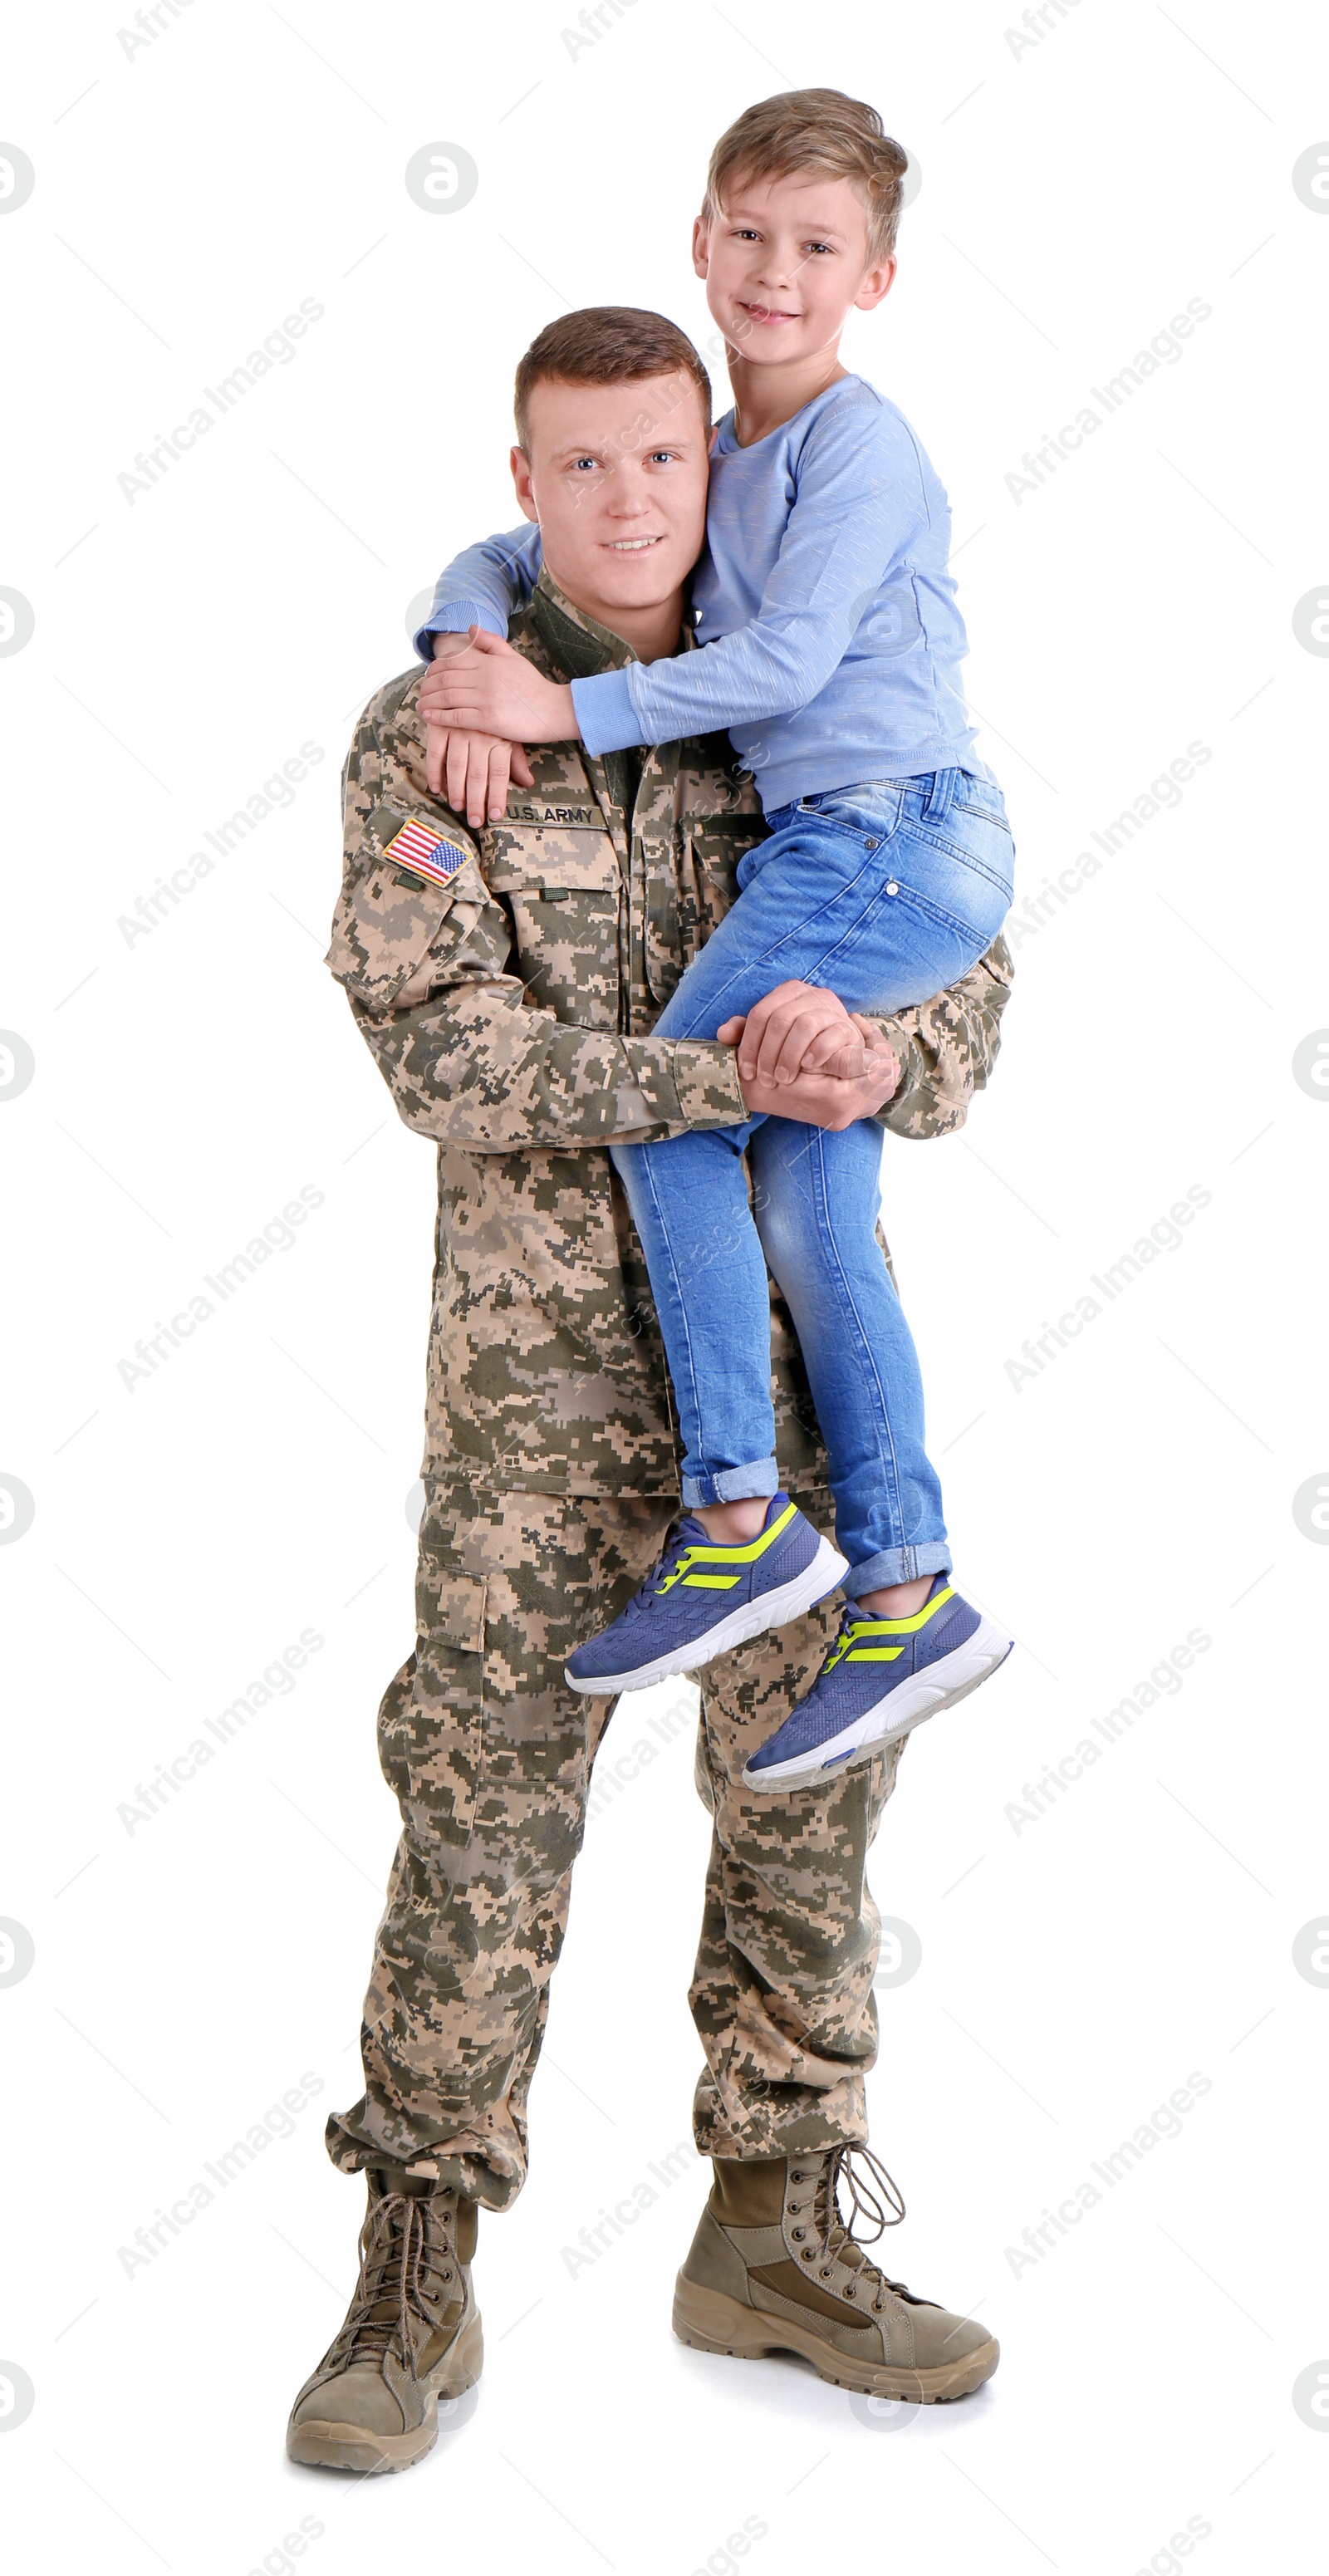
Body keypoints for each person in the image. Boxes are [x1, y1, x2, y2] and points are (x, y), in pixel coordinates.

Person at [286, 304, 1012, 2476]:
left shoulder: (795, 682)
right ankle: (418, 2238)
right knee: (481, 1802)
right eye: (579, 467)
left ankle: (774, 2222)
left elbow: (957, 964)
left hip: (785, 1404)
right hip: (532, 1418)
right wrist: (727, 1073)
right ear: (523, 481)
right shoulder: (444, 727)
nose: (627, 503)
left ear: (719, 465)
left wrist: (886, 1056)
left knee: (809, 1800)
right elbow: (445, 1049)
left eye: (664, 461)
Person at [420, 88, 1015, 1797]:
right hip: (863, 847)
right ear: (699, 240)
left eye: (815, 248)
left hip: (886, 838)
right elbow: (507, 535)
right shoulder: (720, 450)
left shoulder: (856, 447)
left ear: (873, 280)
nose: (773, 272)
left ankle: (741, 1512)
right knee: (805, 1187)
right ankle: (906, 1584)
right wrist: (473, 626)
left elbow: (785, 667)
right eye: (746, 236)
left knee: (676, 1116)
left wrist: (560, 702)